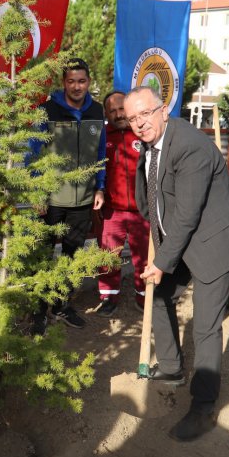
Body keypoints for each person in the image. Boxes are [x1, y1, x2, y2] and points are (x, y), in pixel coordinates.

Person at [125, 86, 229, 442]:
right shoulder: (152, 141)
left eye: (145, 114)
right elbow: (153, 193)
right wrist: (158, 237)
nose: (139, 123)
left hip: (214, 243)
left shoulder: (190, 146)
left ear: (163, 110)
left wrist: (162, 261)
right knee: (162, 296)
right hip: (179, 242)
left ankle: (203, 407)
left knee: (205, 325)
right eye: (132, 118)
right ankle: (170, 368)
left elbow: (187, 214)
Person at [26, 58, 106, 332]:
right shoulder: (47, 111)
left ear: (88, 82)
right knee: (43, 255)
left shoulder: (97, 111)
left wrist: (100, 187)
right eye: (71, 81)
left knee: (72, 257)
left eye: (81, 81)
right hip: (49, 202)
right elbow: (32, 155)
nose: (76, 86)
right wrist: (37, 192)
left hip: (82, 200)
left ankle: (62, 306)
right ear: (64, 82)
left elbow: (100, 153)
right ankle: (38, 311)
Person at [94, 90, 150, 317]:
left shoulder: (144, 134)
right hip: (112, 212)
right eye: (113, 110)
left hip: (142, 211)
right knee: (108, 257)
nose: (118, 114)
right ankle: (109, 298)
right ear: (106, 113)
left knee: (144, 259)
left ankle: (144, 297)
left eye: (121, 109)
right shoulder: (101, 137)